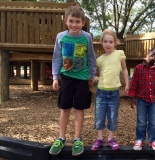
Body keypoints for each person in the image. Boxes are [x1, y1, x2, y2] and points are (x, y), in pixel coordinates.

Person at [49, 6, 96, 156]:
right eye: (71, 21)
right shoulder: (61, 37)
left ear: (83, 22)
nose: (74, 24)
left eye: (77, 21)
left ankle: (77, 139)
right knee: (65, 107)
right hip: (67, 78)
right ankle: (61, 137)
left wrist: (92, 75)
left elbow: (90, 57)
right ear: (66, 21)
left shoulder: (87, 37)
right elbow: (56, 58)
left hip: (82, 78)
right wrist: (55, 77)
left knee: (79, 108)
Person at [91, 29, 129, 151]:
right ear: (101, 42)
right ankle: (100, 138)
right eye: (105, 41)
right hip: (101, 92)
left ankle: (111, 139)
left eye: (110, 42)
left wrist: (127, 84)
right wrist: (91, 79)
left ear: (115, 43)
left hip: (114, 92)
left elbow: (124, 70)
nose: (108, 44)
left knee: (113, 116)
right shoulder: (100, 59)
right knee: (100, 116)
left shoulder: (119, 54)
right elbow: (96, 73)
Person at [128, 46, 155, 151]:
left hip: (154, 100)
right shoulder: (138, 68)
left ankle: (153, 140)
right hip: (142, 99)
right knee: (141, 121)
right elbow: (134, 83)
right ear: (149, 52)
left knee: (153, 121)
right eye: (154, 53)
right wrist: (132, 97)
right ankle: (140, 139)